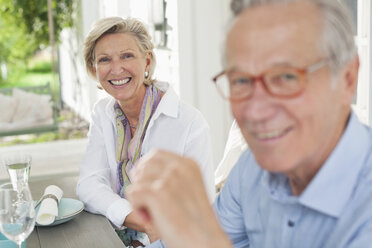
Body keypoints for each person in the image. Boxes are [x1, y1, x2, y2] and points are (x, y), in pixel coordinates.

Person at [126, 0, 372, 247]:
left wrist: (201, 236)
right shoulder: (253, 169)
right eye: (241, 81)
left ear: (347, 79)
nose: (256, 110)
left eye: (286, 77)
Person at [76, 17, 215, 247]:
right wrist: (141, 220)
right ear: (95, 69)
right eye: (104, 59)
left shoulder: (189, 123)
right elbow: (89, 183)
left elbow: (201, 210)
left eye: (127, 56)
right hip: (112, 238)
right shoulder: (103, 113)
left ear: (147, 60)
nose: (116, 68)